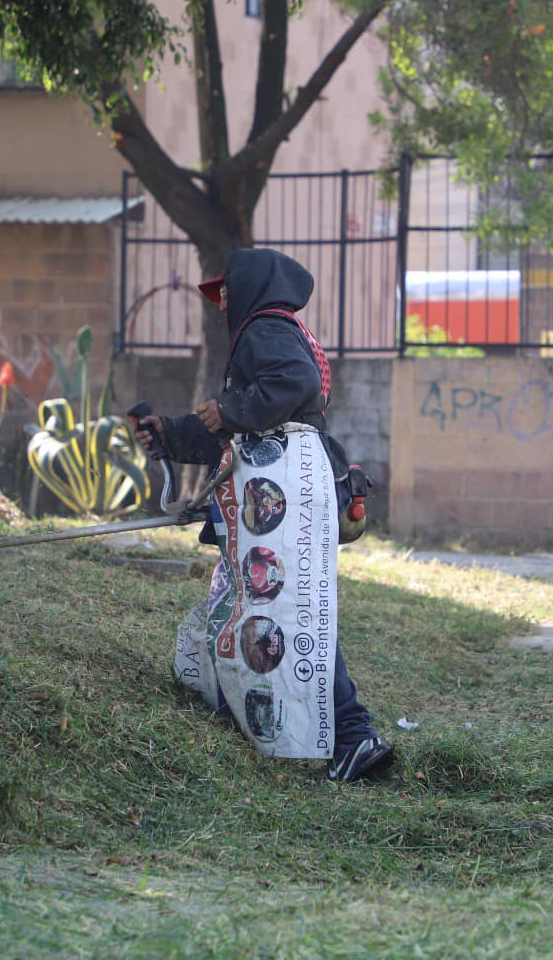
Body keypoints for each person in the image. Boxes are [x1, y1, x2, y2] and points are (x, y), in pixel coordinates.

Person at [134, 247, 393, 783]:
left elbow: (290, 386)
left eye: (225, 289)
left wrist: (227, 408)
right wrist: (173, 432)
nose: (222, 301)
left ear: (252, 286)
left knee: (291, 617)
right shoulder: (277, 331)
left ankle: (353, 735)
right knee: (279, 615)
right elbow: (252, 429)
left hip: (285, 507)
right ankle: (264, 721)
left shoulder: (266, 327)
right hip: (283, 500)